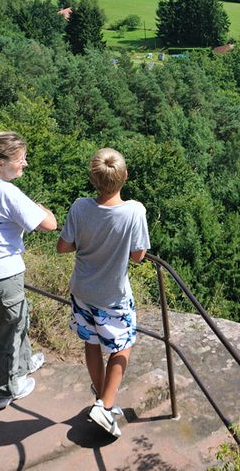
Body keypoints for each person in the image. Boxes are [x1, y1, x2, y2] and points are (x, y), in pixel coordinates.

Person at [57, 148, 150, 438]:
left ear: (92, 179)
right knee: (123, 345)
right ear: (125, 177)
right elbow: (138, 256)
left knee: (93, 342)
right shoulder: (134, 211)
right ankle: (106, 406)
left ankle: (100, 398)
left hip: (82, 290)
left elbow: (63, 246)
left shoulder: (80, 207)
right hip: (112, 295)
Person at [0, 128, 57, 410]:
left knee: (18, 318)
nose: (25, 163)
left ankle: (24, 363)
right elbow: (49, 224)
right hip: (1, 273)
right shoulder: (8, 193)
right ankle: (6, 389)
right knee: (8, 330)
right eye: (21, 159)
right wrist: (42, 208)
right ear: (1, 164)